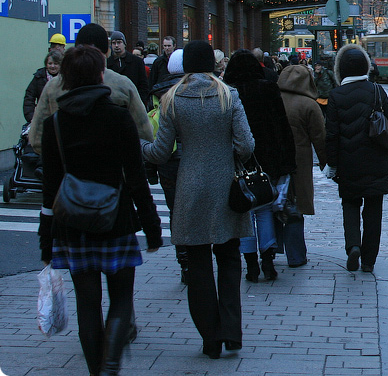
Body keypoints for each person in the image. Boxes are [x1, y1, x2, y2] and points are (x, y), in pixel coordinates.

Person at [38, 45, 162, 376]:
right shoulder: (118, 117)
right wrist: (151, 227)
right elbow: (137, 179)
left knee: (87, 305)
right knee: (121, 298)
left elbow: (49, 188)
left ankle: (97, 371)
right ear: (99, 75)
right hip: (116, 219)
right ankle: (111, 362)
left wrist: (45, 239)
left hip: (73, 224)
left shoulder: (56, 124)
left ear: (65, 78)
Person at [141, 40, 255, 359]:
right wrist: (227, 156)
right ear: (213, 64)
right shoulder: (227, 95)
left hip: (189, 187)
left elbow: (162, 151)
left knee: (199, 263)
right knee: (230, 259)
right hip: (225, 187)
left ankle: (210, 337)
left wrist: (141, 147)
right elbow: (246, 145)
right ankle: (232, 330)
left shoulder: (172, 99)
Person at [222, 50, 296, 282]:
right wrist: (287, 162)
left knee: (243, 214)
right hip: (267, 160)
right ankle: (268, 261)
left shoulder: (227, 93)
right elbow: (282, 127)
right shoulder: (267, 89)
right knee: (264, 209)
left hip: (237, 162)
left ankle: (251, 265)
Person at [325, 44, 388, 273]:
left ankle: (353, 245)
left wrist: (332, 163)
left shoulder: (335, 96)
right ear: (366, 67)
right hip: (377, 163)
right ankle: (368, 260)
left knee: (350, 204)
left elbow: (332, 134)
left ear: (342, 70)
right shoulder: (377, 90)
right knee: (374, 211)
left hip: (348, 164)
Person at [30, 23, 154, 152]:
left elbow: (36, 139)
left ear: (76, 49)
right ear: (107, 52)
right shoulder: (122, 85)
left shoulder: (54, 86)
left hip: (67, 168)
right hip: (112, 167)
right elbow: (145, 133)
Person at [277, 64, 327, 267]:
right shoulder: (309, 105)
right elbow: (319, 138)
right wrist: (327, 163)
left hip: (273, 160)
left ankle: (271, 250)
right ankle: (296, 255)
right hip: (299, 161)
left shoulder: (273, 98)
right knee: (295, 207)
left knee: (273, 205)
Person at [146, 48, 188, 284]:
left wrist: (150, 169)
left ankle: (184, 261)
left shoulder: (157, 92)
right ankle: (198, 255)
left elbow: (150, 129)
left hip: (167, 159)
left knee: (175, 212)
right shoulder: (195, 89)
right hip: (193, 158)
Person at [108, 31, 149, 106]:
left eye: (119, 42)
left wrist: (139, 102)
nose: (116, 45)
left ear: (124, 44)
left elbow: (143, 85)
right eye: (114, 43)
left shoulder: (137, 62)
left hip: (133, 104)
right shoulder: (107, 63)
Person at [24, 48, 63, 123]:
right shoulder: (39, 77)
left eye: (56, 63)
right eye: (50, 63)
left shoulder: (66, 78)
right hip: (42, 118)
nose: (52, 66)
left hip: (61, 119)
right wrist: (31, 117)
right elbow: (29, 97)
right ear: (46, 64)